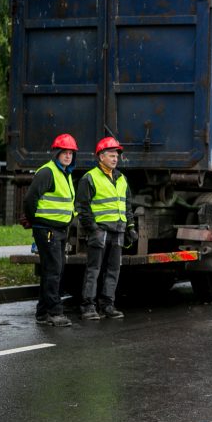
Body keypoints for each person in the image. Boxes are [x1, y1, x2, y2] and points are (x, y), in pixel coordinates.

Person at [75, 136, 137, 320]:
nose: (115, 158)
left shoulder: (121, 179)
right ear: (101, 157)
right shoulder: (90, 178)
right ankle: (88, 307)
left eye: (116, 155)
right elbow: (82, 207)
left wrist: (130, 227)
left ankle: (107, 305)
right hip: (100, 231)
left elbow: (127, 206)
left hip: (118, 230)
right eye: (111, 155)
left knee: (113, 270)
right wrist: (93, 228)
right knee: (94, 269)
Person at [22, 133, 78, 327]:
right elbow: (30, 199)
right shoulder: (48, 172)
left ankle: (43, 312)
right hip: (47, 229)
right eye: (64, 152)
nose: (68, 156)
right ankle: (55, 312)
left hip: (58, 229)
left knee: (53, 270)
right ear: (56, 153)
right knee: (54, 270)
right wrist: (33, 220)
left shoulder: (65, 173)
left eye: (71, 153)